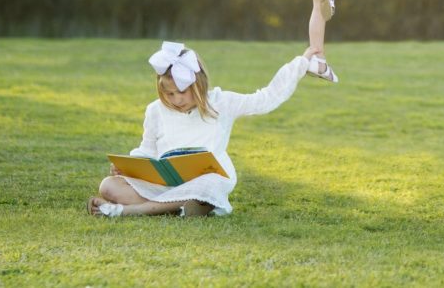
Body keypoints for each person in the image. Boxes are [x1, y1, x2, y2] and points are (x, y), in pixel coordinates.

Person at [87, 41, 312, 217]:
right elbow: (147, 150)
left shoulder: (220, 103)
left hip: (204, 179)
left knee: (211, 184)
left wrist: (300, 64)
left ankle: (129, 211)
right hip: (167, 183)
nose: (176, 99)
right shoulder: (155, 110)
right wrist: (127, 167)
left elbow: (265, 99)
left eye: (181, 92)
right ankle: (181, 208)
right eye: (169, 93)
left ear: (198, 84)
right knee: (108, 186)